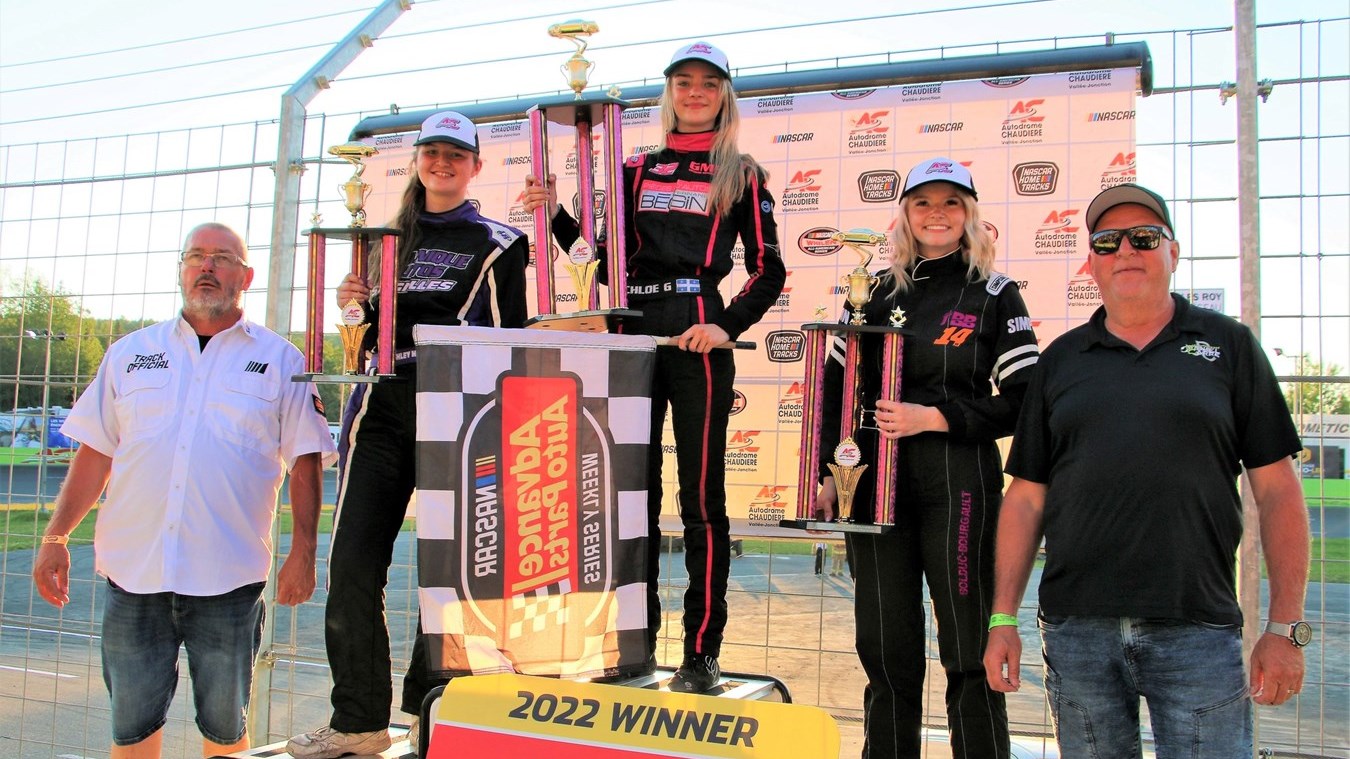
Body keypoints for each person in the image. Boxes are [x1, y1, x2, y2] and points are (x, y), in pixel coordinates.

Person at [983, 184, 1311, 757]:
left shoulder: (1229, 346)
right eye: (1107, 242)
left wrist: (1285, 628)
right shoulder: (1060, 360)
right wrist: (1001, 618)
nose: (1126, 251)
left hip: (1197, 628)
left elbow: (1279, 491)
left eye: (1144, 237)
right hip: (1077, 630)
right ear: (1091, 263)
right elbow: (1027, 498)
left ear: (1173, 252)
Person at [523, 40, 785, 693]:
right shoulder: (633, 167)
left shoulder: (742, 173)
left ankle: (701, 653)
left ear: (724, 95)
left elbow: (769, 268)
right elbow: (597, 262)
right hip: (629, 329)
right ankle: (632, 646)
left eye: (708, 84)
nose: (695, 93)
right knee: (628, 497)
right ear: (669, 92)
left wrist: (726, 325)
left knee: (701, 500)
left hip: (697, 333)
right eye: (683, 82)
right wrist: (553, 212)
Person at [31, 222, 335, 759]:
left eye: (222, 258)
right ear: (181, 270)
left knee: (225, 732)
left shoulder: (282, 361)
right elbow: (95, 452)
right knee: (130, 729)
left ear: (246, 276)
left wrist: (304, 553)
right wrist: (55, 538)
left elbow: (306, 464)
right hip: (134, 575)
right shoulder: (131, 353)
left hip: (228, 579)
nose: (207, 267)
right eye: (196, 256)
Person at [287, 110, 529, 759]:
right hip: (381, 406)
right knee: (351, 562)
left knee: (448, 572)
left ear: (475, 165)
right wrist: (353, 304)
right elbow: (366, 331)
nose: (442, 163)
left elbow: (511, 341)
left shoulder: (501, 242)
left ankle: (433, 711)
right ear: (418, 160)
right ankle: (358, 719)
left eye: (456, 154)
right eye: (432, 153)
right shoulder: (385, 239)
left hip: (458, 408)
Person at [814, 158, 1039, 758]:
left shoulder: (995, 293)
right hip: (873, 487)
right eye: (923, 203)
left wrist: (937, 418)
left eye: (950, 203)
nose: (937, 214)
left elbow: (1025, 402)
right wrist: (828, 472)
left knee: (968, 649)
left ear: (970, 214)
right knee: (886, 649)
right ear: (905, 215)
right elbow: (834, 390)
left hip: (958, 484)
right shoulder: (870, 291)